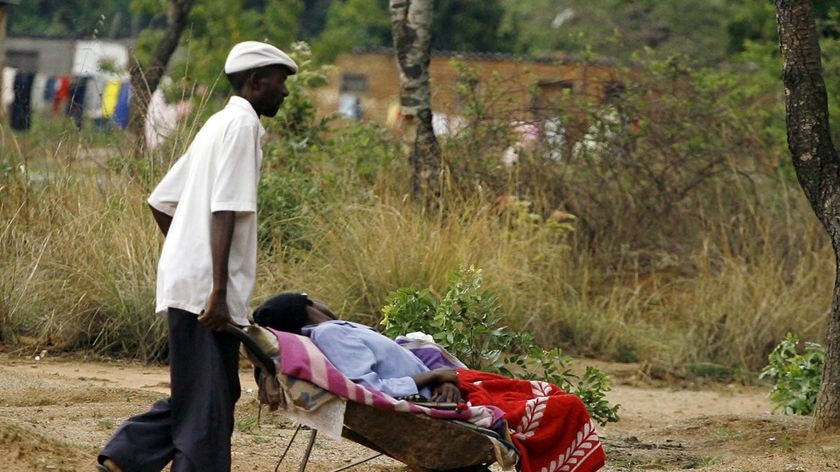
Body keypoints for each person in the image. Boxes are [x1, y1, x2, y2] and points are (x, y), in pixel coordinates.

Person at [97, 41, 298, 472]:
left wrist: (186, 256)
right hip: (207, 292)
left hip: (191, 282)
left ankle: (126, 455)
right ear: (256, 80)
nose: (285, 92)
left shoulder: (216, 124)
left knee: (212, 390)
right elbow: (225, 207)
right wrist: (217, 288)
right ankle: (132, 455)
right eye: (280, 83)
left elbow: (161, 201)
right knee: (207, 408)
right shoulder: (241, 128)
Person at [252, 292, 607, 472]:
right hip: (435, 396)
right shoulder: (331, 334)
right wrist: (436, 377)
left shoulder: (338, 331)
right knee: (564, 406)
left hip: (444, 389)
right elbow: (368, 387)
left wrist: (441, 380)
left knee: (550, 398)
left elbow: (403, 363)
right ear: (309, 304)